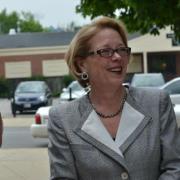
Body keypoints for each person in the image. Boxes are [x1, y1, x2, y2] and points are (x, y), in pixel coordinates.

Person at [48, 16, 180, 179]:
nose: (117, 57)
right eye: (106, 51)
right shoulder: (62, 119)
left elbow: (175, 167)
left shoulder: (157, 103)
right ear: (82, 64)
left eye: (121, 49)